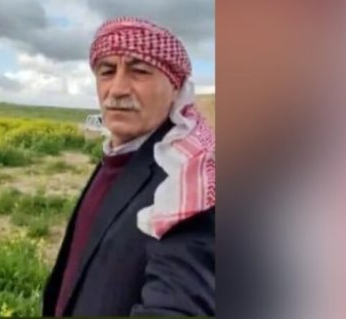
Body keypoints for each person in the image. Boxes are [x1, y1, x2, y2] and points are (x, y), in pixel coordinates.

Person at [42, 17, 216, 317]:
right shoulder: (122, 154)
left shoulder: (189, 178)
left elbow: (178, 304)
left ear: (176, 88)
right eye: (107, 71)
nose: (117, 89)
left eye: (140, 71)